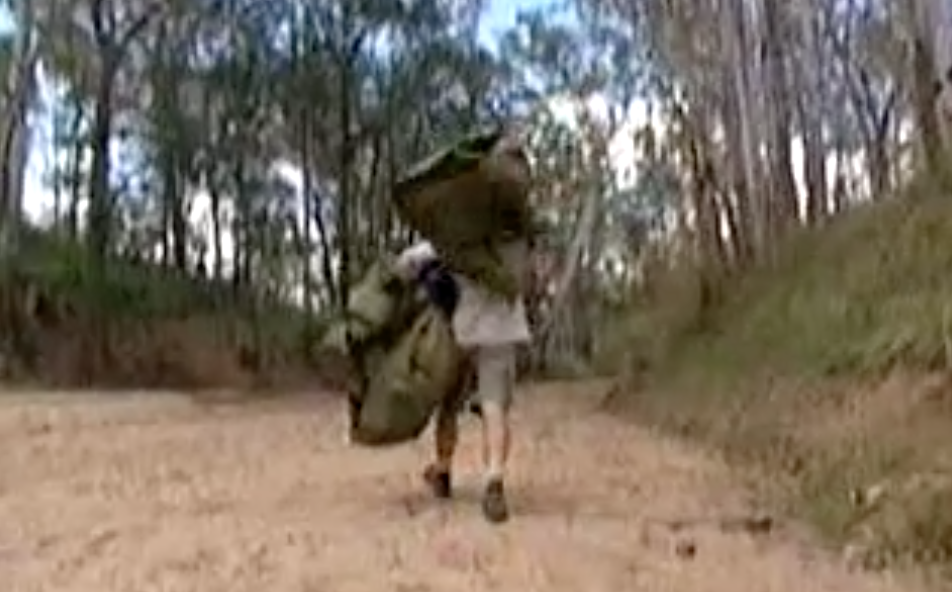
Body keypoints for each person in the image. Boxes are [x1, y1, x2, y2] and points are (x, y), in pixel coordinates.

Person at [395, 235, 532, 524]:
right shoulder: (514, 234)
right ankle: (494, 479)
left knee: (449, 402)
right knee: (494, 406)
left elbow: (406, 263)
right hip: (502, 329)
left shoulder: (456, 232)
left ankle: (443, 469)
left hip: (462, 330)